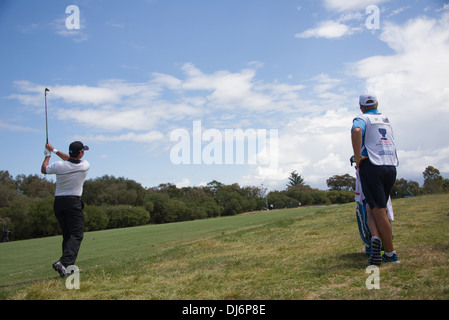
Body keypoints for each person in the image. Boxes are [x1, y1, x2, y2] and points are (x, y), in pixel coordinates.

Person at [351, 93, 400, 265]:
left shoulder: (362, 118)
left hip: (372, 166)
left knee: (379, 210)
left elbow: (356, 131)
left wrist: (357, 157)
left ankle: (389, 253)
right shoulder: (386, 119)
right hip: (390, 165)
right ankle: (376, 237)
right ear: (377, 103)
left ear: (360, 106)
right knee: (373, 206)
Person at [41, 141, 90, 277]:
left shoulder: (59, 166)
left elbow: (44, 169)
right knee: (77, 235)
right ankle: (63, 262)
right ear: (80, 153)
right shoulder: (85, 166)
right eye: (83, 151)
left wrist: (48, 155)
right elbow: (70, 161)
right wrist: (54, 150)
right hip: (73, 203)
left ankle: (67, 268)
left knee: (68, 236)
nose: (84, 153)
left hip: (58, 203)